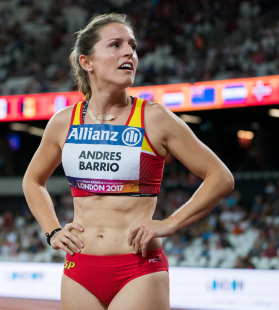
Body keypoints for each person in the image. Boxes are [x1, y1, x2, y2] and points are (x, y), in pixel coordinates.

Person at [22, 13, 234, 310]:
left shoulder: (154, 118)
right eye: (116, 45)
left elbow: (220, 177)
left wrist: (171, 223)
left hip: (138, 268)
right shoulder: (63, 122)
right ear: (87, 62)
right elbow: (32, 181)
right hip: (78, 269)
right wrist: (52, 230)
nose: (129, 53)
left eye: (132, 47)